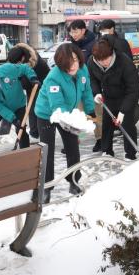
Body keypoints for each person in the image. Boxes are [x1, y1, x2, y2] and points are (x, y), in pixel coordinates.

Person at [34, 43, 95, 203]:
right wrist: (72, 122)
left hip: (68, 112)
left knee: (72, 146)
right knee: (48, 149)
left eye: (75, 60)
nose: (73, 65)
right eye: (68, 62)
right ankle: (47, 186)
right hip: (48, 114)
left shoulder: (83, 70)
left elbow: (87, 90)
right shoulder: (53, 77)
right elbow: (57, 106)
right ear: (61, 64)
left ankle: (73, 181)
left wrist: (90, 109)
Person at [88, 38, 139, 160]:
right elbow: (92, 79)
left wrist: (123, 111)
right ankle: (107, 151)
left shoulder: (124, 62)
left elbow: (133, 88)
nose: (104, 63)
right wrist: (96, 92)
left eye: (106, 59)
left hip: (125, 96)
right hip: (108, 97)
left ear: (112, 53)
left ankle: (130, 154)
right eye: (100, 60)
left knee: (127, 125)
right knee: (106, 124)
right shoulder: (92, 61)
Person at [69, 19, 102, 151]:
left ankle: (100, 139)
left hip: (91, 86)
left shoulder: (94, 44)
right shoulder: (73, 45)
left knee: (95, 113)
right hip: (76, 86)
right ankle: (73, 141)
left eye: (75, 31)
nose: (73, 34)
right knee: (76, 113)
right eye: (71, 32)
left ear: (83, 30)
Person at [7, 43, 50, 139]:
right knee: (31, 107)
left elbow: (26, 84)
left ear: (22, 58)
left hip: (41, 82)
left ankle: (37, 132)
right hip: (31, 83)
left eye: (16, 64)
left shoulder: (34, 63)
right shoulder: (16, 53)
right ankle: (34, 132)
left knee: (35, 107)